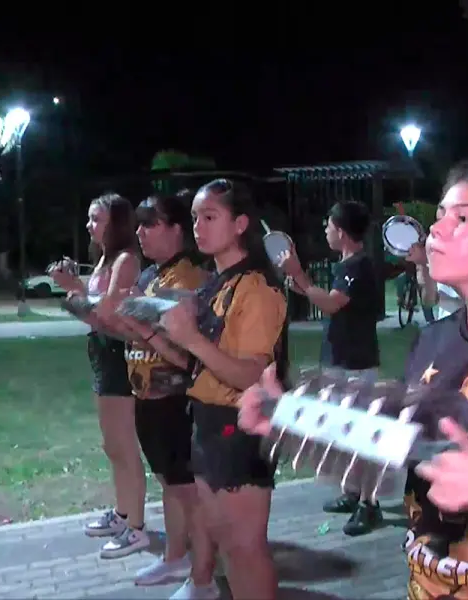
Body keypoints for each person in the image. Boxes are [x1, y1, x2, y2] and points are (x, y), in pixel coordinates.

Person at [241, 159, 468, 599]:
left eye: (463, 218)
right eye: (441, 216)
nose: (437, 229)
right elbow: (396, 442)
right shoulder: (433, 339)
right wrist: (292, 417)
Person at [158, 179, 288, 600]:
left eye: (210, 216)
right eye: (195, 217)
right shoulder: (216, 282)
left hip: (241, 425)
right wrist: (149, 334)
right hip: (209, 422)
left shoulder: (256, 287)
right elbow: (201, 368)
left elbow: (250, 374)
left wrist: (191, 337)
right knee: (228, 547)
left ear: (240, 224)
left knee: (246, 549)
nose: (198, 226)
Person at [100, 194, 213, 594]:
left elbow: (183, 354)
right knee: (170, 484)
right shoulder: (153, 275)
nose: (139, 232)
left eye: (150, 224)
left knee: (188, 491)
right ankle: (176, 557)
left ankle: (204, 578)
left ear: (176, 230)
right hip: (147, 396)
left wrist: (143, 327)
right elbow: (133, 332)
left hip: (175, 399)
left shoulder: (188, 278)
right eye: (139, 224)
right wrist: (99, 313)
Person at [49, 194, 147, 558]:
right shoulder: (106, 258)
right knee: (112, 444)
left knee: (123, 445)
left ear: (116, 223)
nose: (89, 226)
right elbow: (95, 309)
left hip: (119, 354)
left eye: (96, 219)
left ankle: (136, 528)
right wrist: (73, 289)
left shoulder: (125, 260)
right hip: (102, 353)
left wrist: (74, 295)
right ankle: (123, 514)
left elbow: (107, 314)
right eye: (89, 219)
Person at [277, 200, 383, 536]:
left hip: (356, 362)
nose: (325, 230)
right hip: (341, 358)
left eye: (328, 224)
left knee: (362, 437)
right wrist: (299, 282)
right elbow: (325, 298)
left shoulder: (359, 265)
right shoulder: (346, 265)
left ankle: (370, 504)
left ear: (341, 230)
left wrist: (298, 275)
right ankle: (353, 494)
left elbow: (333, 303)